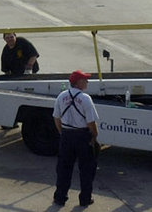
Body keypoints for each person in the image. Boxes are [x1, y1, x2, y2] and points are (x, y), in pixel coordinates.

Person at [52, 70, 99, 207]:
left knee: (63, 169)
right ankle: (85, 199)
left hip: (67, 136)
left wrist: (63, 132)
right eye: (85, 80)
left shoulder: (61, 96)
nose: (87, 82)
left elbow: (56, 117)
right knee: (86, 169)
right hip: (82, 137)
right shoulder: (85, 99)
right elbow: (91, 123)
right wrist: (94, 137)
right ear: (78, 82)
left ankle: (60, 197)